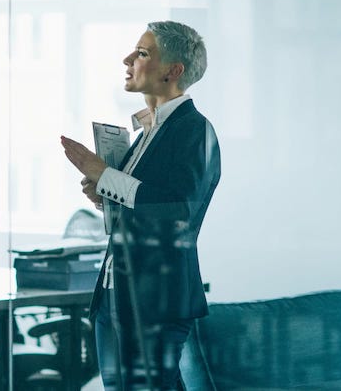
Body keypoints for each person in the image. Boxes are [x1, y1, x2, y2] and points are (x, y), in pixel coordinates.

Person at [61, 21, 221, 390]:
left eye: (142, 53)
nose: (127, 59)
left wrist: (104, 175)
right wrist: (107, 199)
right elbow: (147, 203)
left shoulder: (194, 130)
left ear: (173, 71)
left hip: (156, 298)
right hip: (117, 291)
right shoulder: (150, 131)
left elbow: (179, 208)